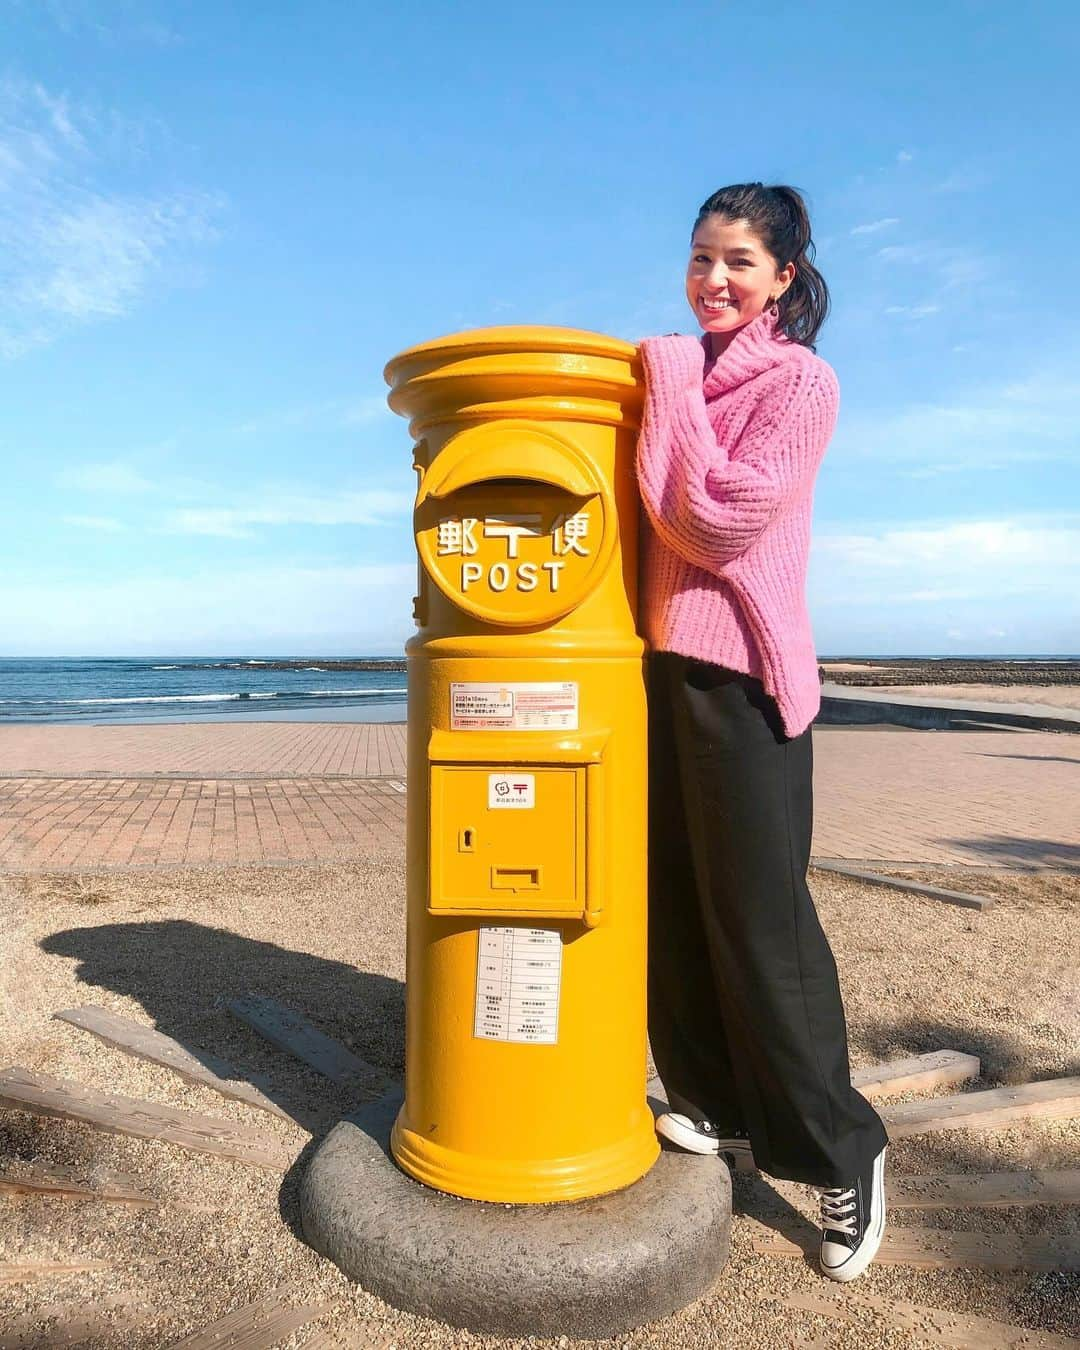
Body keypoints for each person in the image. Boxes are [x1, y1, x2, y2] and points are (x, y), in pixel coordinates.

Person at [635, 182, 890, 1283]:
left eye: (738, 261)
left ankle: (847, 1152)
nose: (714, 281)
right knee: (678, 911)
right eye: (701, 259)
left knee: (762, 929)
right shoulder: (686, 374)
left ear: (785, 274)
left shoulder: (801, 383)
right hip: (657, 673)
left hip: (742, 678)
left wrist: (674, 387)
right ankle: (715, 1104)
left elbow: (713, 516)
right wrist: (676, 385)